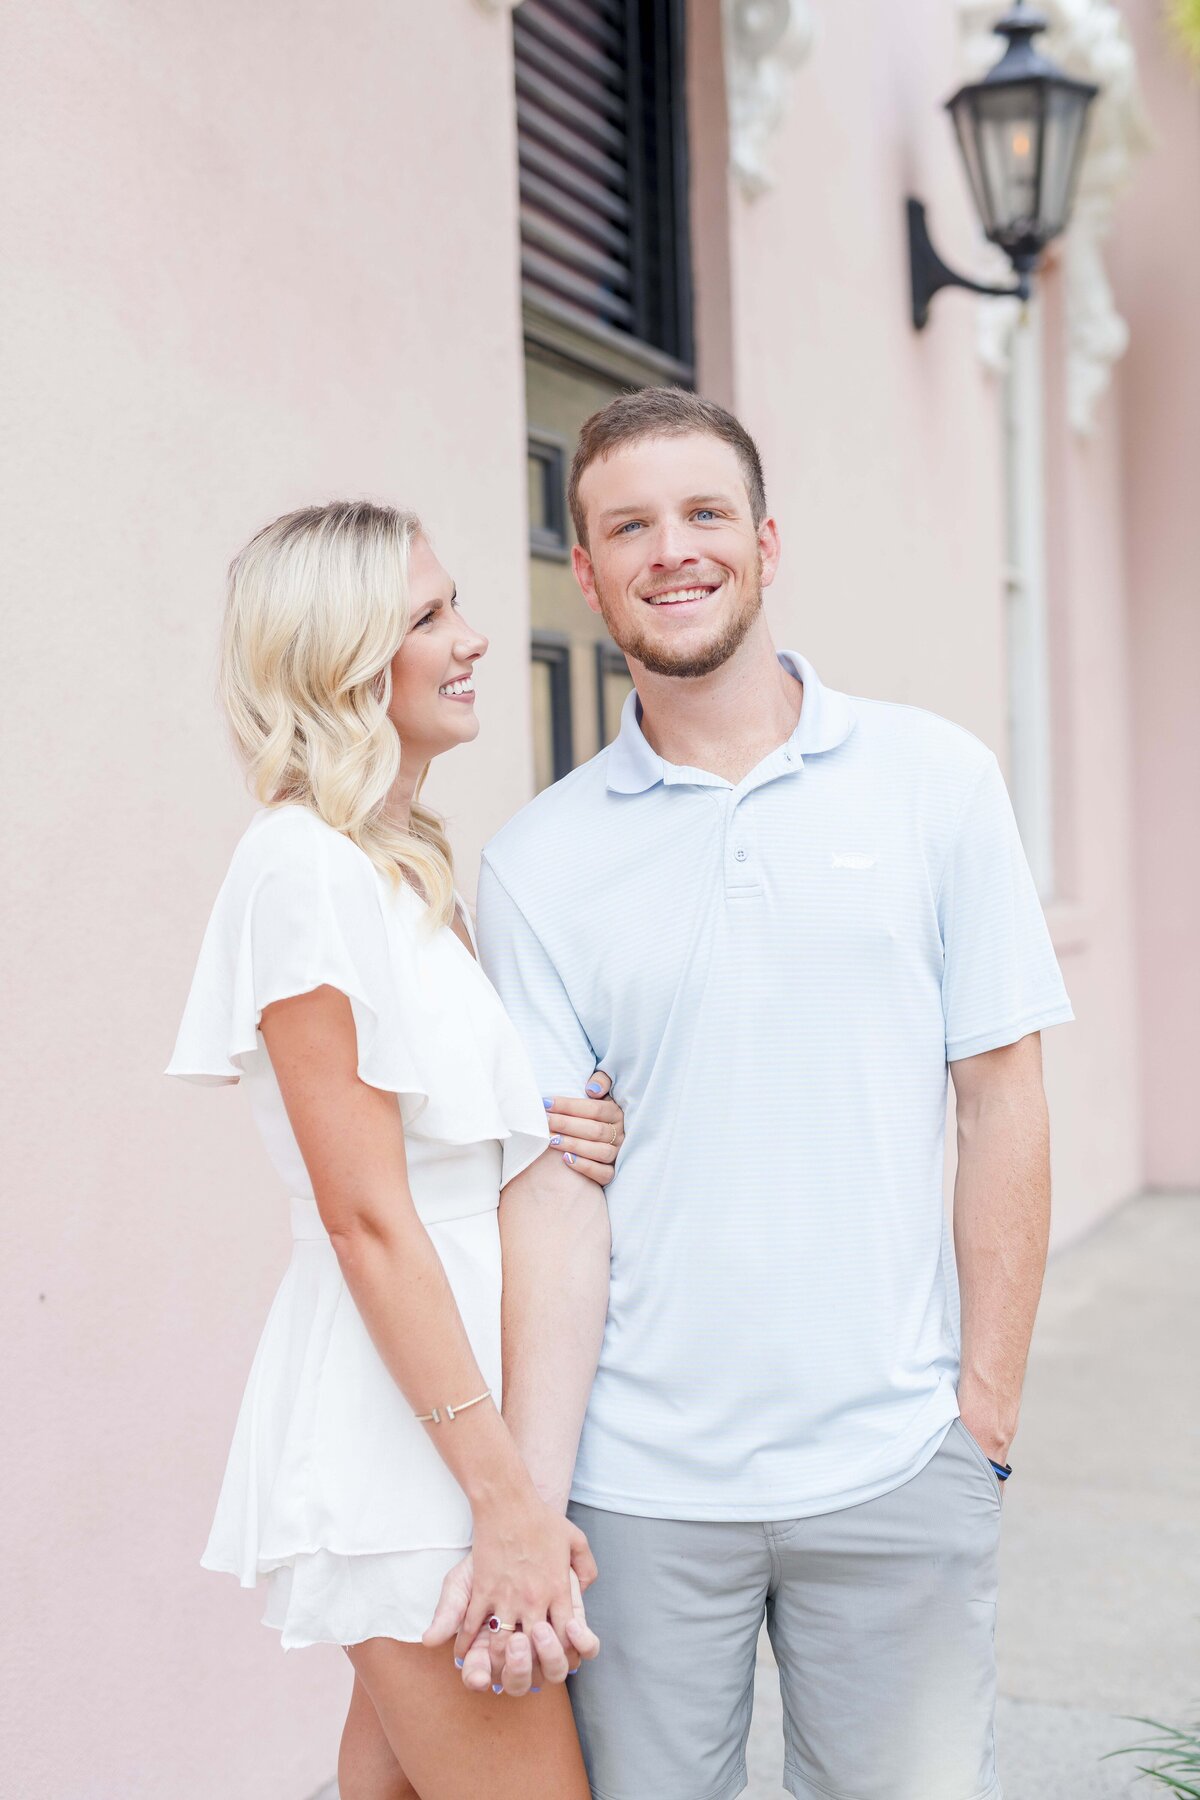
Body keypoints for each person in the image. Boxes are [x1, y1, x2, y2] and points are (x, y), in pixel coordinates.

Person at [434, 387, 1074, 1800]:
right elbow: (556, 1194)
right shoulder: (540, 861)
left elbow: (1002, 1098)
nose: (674, 550)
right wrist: (535, 1493)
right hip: (643, 1491)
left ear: (767, 543)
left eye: (704, 514)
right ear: (587, 573)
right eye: (629, 527)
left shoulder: (935, 782)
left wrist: (984, 1415)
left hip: (898, 1461)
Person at [167, 502, 628, 1800]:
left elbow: (444, 1149)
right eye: (426, 617)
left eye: (454, 605)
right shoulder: (303, 874)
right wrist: (506, 1503)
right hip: (412, 1441)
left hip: (453, 1423)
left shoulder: (391, 867)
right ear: (340, 655)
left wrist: (552, 1125)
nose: (473, 639)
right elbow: (367, 1218)